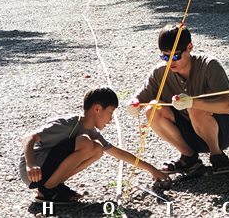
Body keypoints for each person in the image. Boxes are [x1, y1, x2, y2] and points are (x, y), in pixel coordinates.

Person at [126, 24, 229, 176]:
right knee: (153, 108)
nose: (170, 62)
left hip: (223, 131)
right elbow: (140, 98)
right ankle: (189, 157)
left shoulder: (209, 65)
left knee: (194, 107)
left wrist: (193, 102)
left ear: (189, 47)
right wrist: (133, 105)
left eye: (175, 56)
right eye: (165, 57)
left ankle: (217, 156)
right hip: (189, 135)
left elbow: (227, 107)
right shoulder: (160, 72)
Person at [20, 87, 168, 204]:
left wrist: (152, 169)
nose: (111, 119)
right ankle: (48, 190)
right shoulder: (67, 123)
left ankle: (54, 185)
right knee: (85, 142)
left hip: (44, 172)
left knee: (97, 149)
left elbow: (118, 153)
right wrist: (31, 164)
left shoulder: (92, 132)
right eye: (110, 112)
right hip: (34, 170)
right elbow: (28, 138)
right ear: (97, 109)